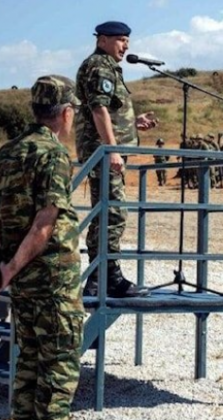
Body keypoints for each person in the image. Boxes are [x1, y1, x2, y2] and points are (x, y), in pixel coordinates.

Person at [0, 75, 84, 420]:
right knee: (57, 376)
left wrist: (7, 270)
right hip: (52, 283)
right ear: (66, 113)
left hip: (23, 286)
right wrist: (11, 268)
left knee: (27, 370)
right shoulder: (53, 155)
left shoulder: (8, 153)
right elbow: (44, 224)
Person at [76, 21, 156, 297]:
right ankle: (109, 277)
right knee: (113, 213)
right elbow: (98, 108)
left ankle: (100, 278)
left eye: (127, 42)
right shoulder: (99, 66)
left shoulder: (108, 67)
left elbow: (110, 112)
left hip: (106, 152)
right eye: (120, 40)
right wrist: (112, 148)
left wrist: (134, 123)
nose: (125, 46)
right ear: (102, 41)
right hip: (104, 153)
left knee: (107, 214)